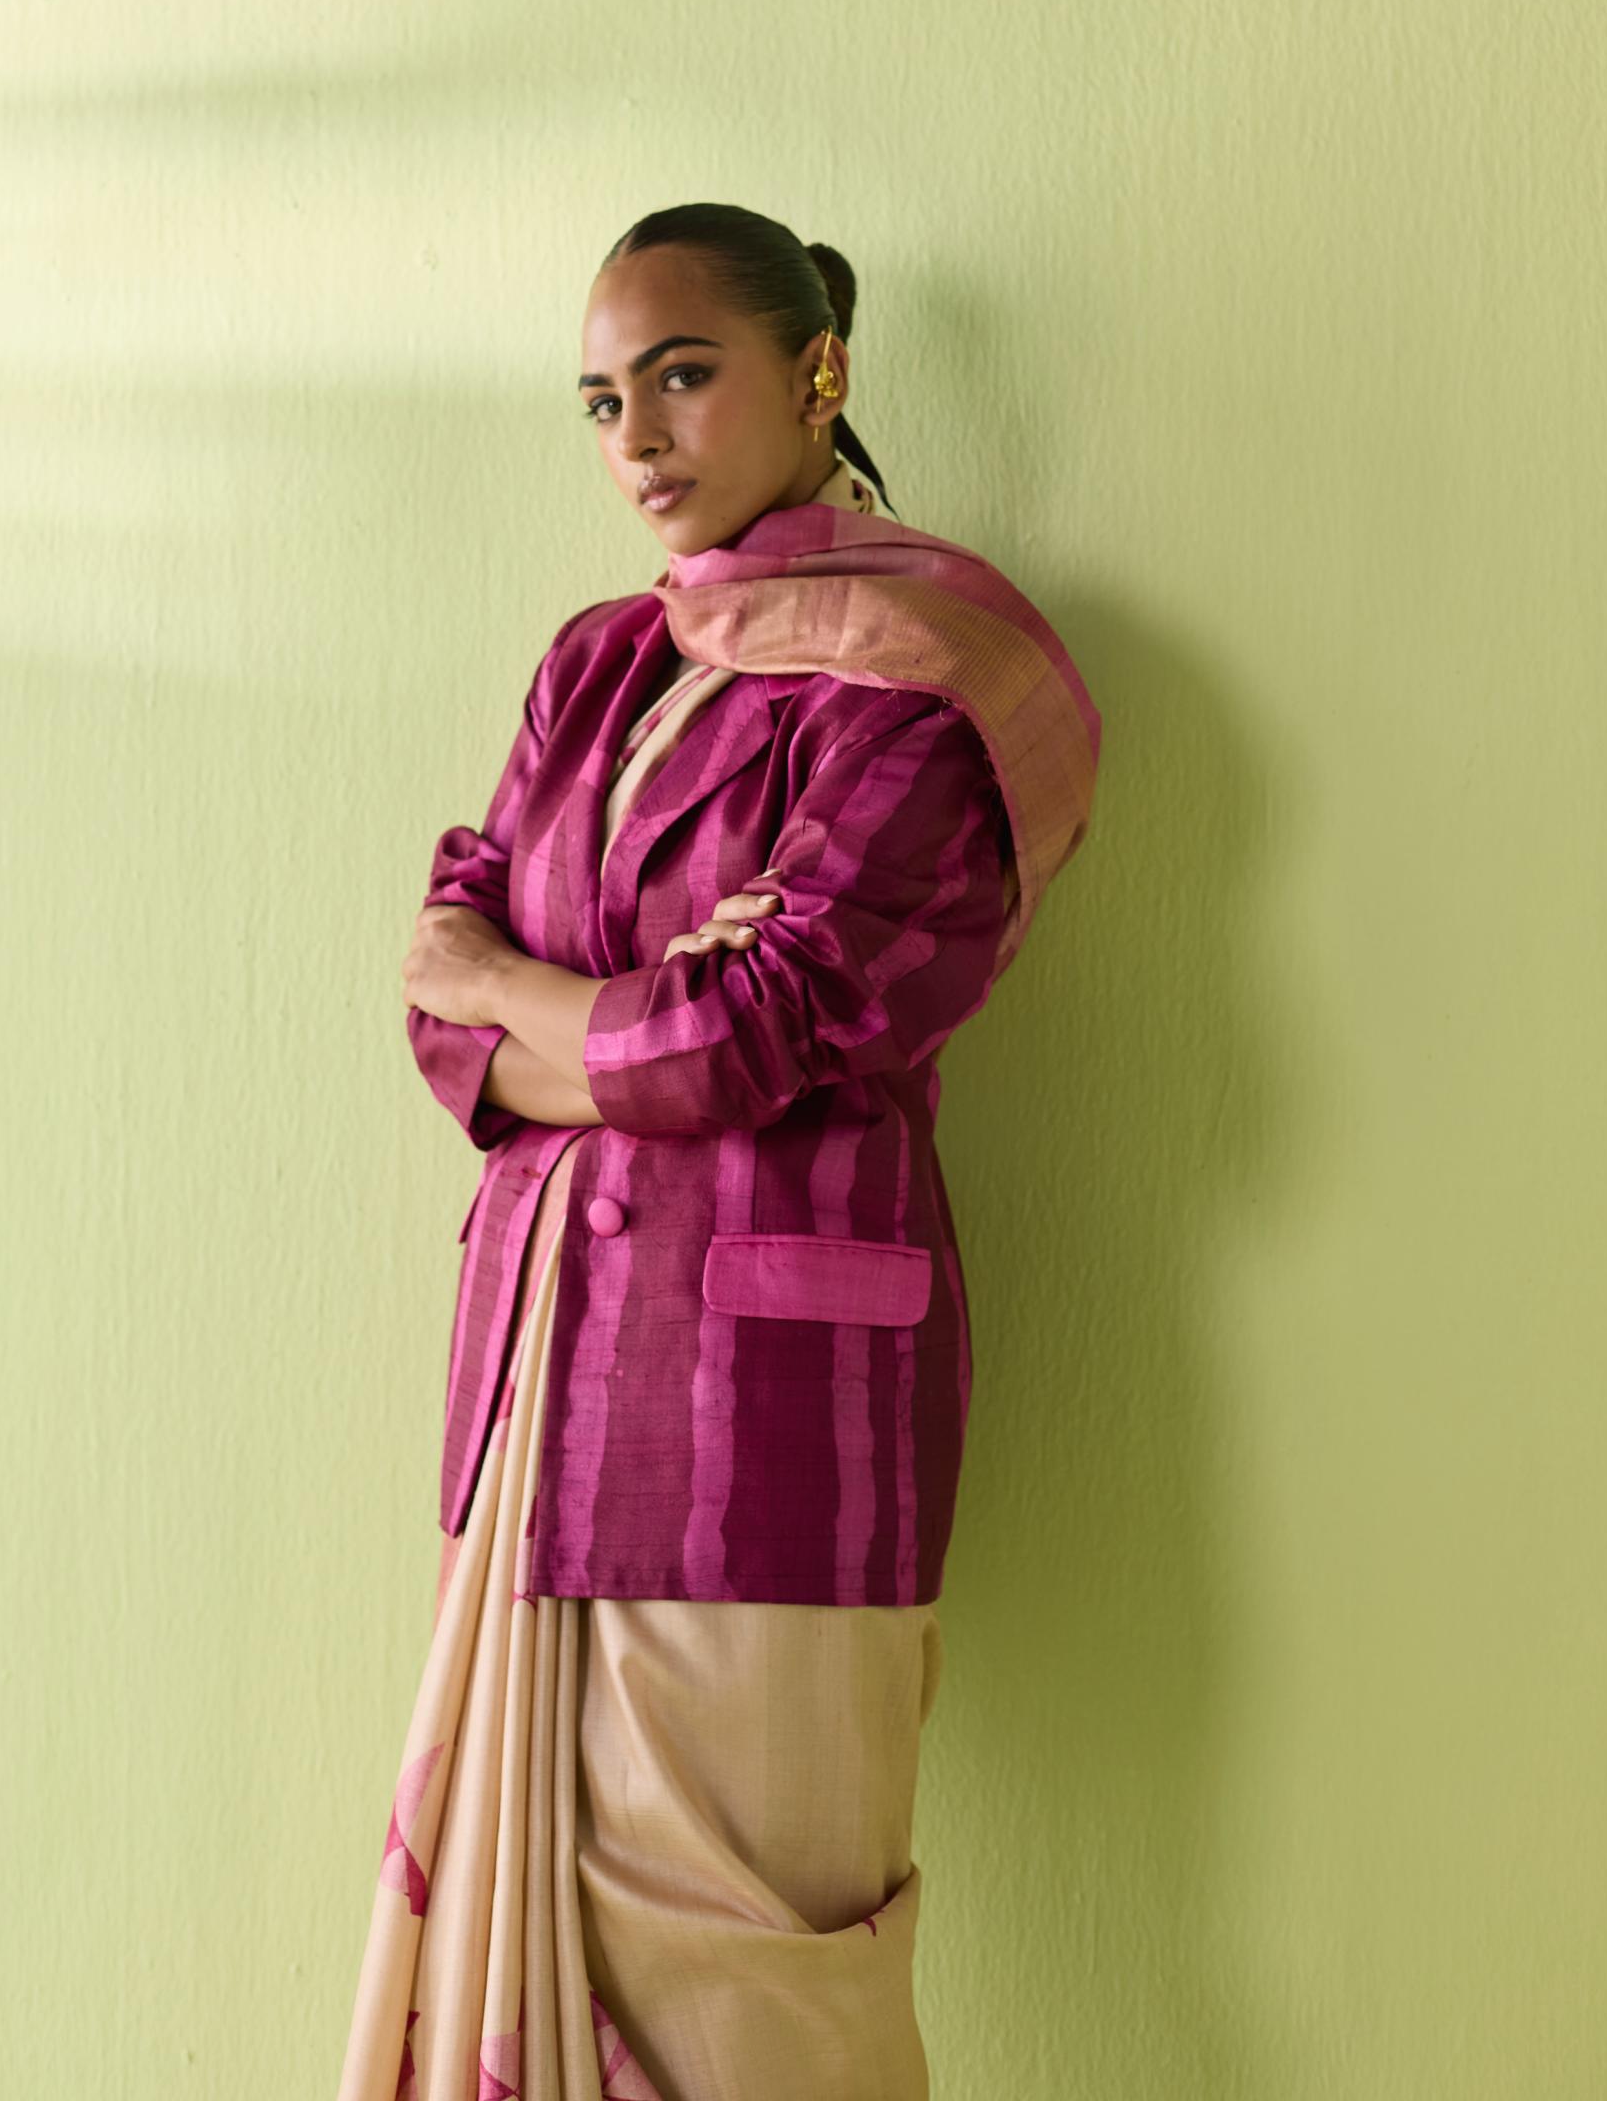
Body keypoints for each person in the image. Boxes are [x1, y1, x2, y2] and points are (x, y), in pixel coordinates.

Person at [335, 202, 1102, 2101]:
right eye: (603, 401)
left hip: (771, 1414)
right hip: (542, 1378)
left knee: (767, 1976)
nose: (639, 439)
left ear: (816, 373)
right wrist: (587, 1014)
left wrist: (526, 994)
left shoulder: (926, 679)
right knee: (552, 1935)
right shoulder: (601, 665)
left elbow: (764, 1024)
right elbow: (447, 1011)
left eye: (681, 376)